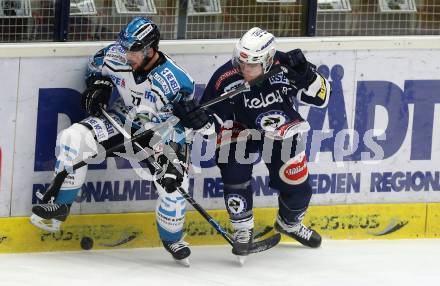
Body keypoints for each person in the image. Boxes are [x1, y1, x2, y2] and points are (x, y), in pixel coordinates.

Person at [30, 17, 195, 266]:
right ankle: (58, 209)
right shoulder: (114, 54)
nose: (126, 54)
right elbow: (95, 68)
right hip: (120, 121)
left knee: (173, 186)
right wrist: (99, 87)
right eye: (125, 47)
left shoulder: (177, 81)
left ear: (150, 49)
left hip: (159, 133)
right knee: (73, 138)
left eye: (133, 51)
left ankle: (172, 239)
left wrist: (175, 154)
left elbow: (182, 123)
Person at [173, 27, 331, 256]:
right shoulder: (225, 77)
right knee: (234, 173)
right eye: (241, 63)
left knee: (298, 186)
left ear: (267, 61)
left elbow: (322, 99)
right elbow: (210, 123)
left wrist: (309, 76)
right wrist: (196, 119)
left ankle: (289, 223)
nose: (244, 69)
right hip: (240, 131)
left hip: (281, 130)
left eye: (252, 65)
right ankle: (242, 229)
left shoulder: (287, 67)